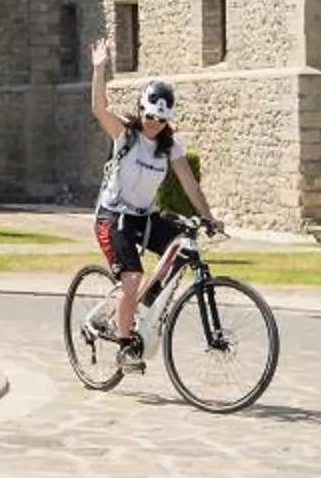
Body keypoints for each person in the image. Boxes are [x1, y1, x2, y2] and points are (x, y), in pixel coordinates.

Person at [85, 39, 222, 369]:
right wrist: (99, 68)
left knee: (182, 244)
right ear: (141, 109)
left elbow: (189, 182)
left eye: (160, 120)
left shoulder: (169, 146)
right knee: (131, 277)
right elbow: (99, 109)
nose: (153, 124)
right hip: (112, 217)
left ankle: (143, 301)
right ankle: (124, 347)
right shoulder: (126, 134)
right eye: (149, 116)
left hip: (142, 217)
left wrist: (208, 217)